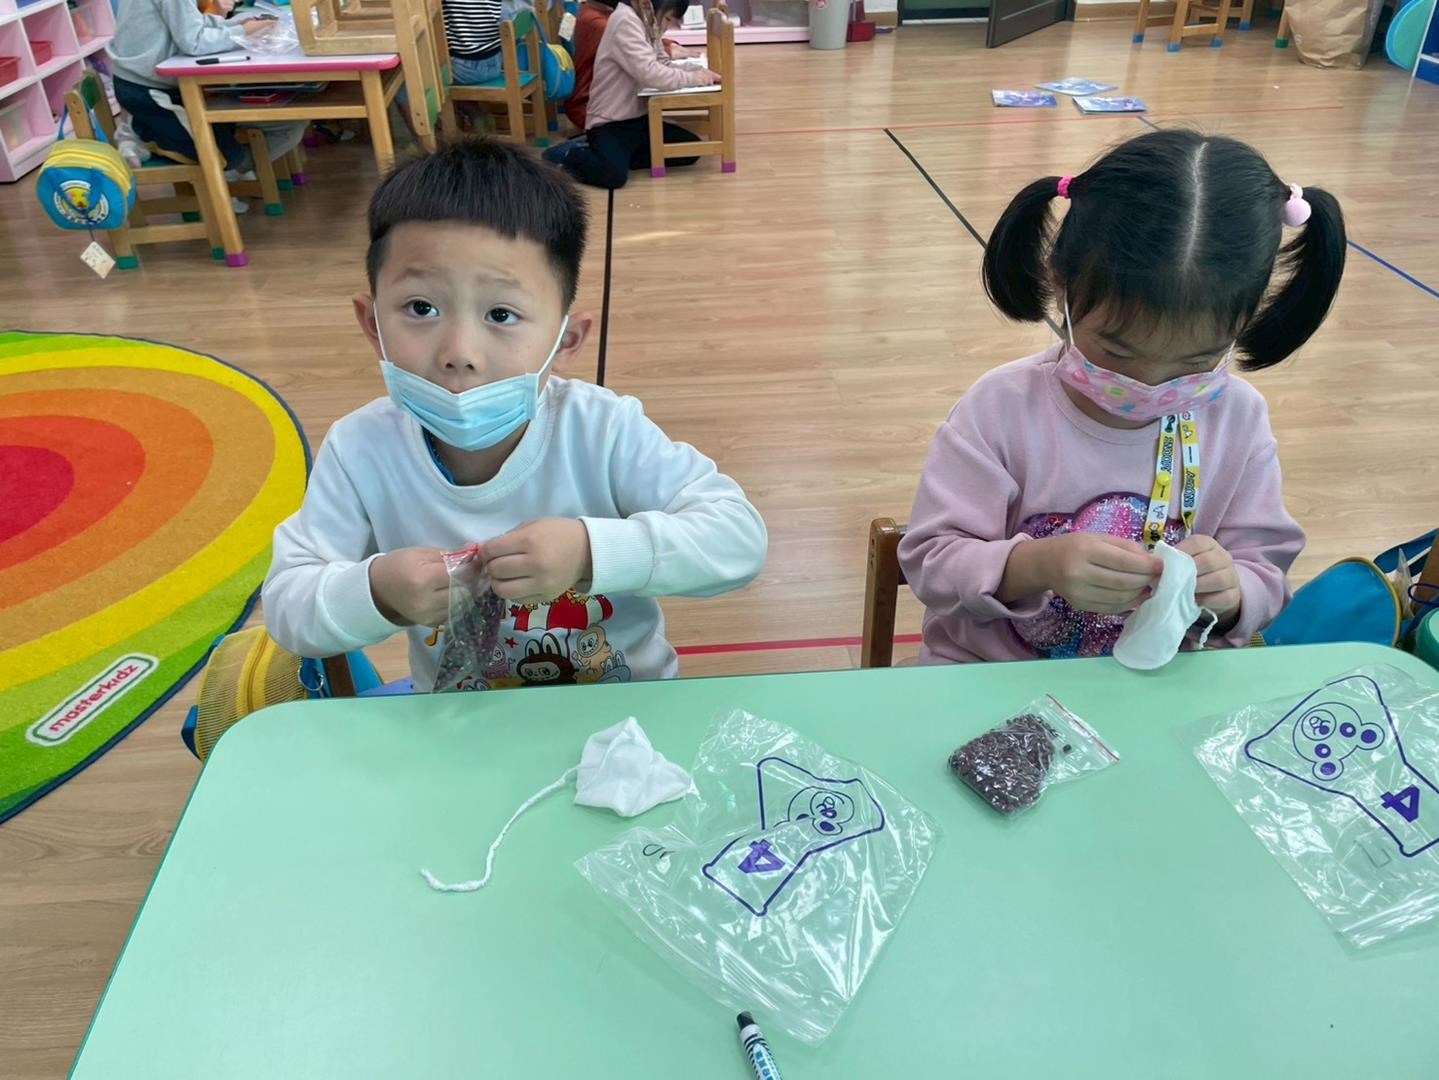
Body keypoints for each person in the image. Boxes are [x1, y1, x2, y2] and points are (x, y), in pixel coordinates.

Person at [262, 139, 767, 692]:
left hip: (625, 709)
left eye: (501, 314)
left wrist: (589, 552)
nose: (460, 352)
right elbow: (288, 605)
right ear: (372, 324)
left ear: (566, 340)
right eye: (421, 308)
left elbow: (737, 539)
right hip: (461, 723)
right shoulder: (361, 449)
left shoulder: (602, 431)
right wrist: (378, 590)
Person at [898, 129, 1346, 664]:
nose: (1150, 383)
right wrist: (1038, 565)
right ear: (1061, 286)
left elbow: (1267, 577)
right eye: (1116, 351)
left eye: (1195, 362)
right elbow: (931, 564)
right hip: (989, 671)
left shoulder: (1238, 419)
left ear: (1244, 323)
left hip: (1163, 680)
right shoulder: (1000, 410)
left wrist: (1233, 594)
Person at [107, 0, 304, 176]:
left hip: (147, 83)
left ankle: (140, 128)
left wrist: (236, 25)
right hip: (147, 89)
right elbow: (194, 42)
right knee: (226, 156)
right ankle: (141, 131)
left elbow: (191, 23)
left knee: (234, 138)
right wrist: (243, 32)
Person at [548, 0, 718, 189]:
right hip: (610, 122)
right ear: (650, 5)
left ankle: (612, 154)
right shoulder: (625, 20)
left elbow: (663, 63)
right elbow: (651, 73)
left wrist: (697, 71)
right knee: (613, 176)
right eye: (668, 19)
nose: (667, 26)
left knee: (688, 148)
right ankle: (570, 154)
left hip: (639, 119)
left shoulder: (647, 22)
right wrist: (695, 78)